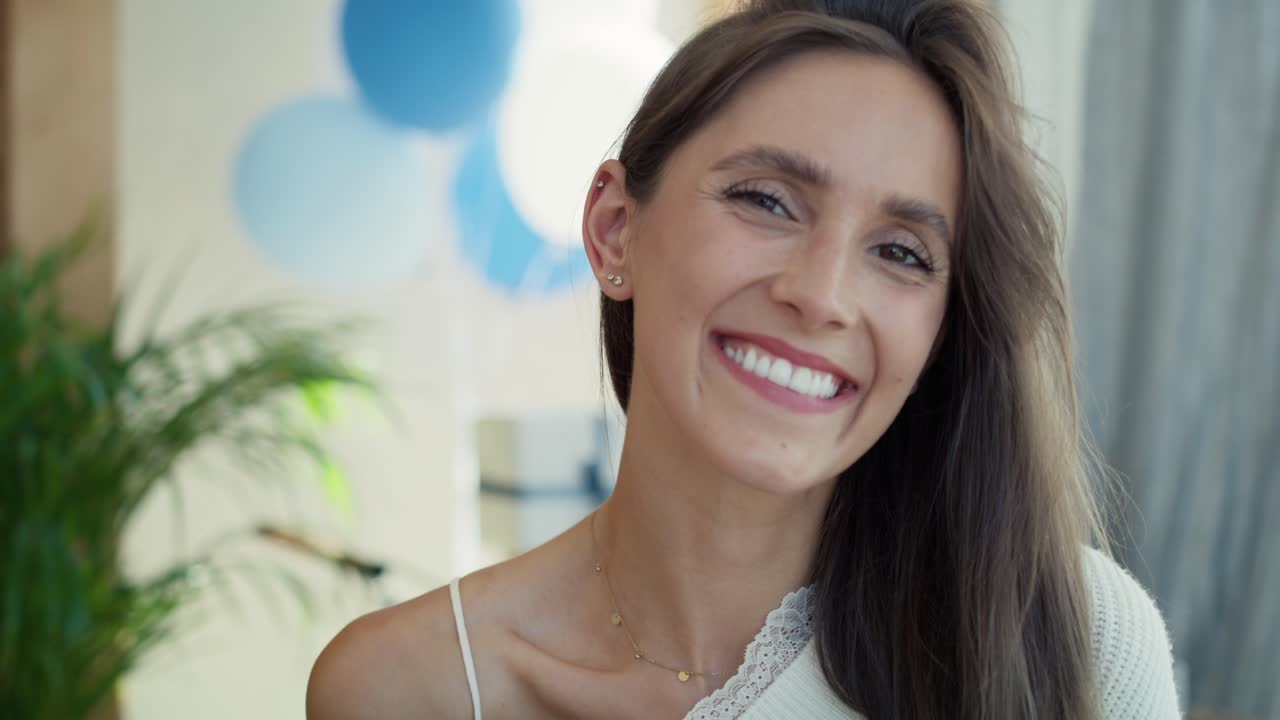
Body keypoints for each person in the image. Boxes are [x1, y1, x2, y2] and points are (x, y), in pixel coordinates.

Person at [307, 1, 1182, 718]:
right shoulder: (401, 689)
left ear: (941, 334)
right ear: (615, 230)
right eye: (767, 200)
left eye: (901, 252)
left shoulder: (1075, 639)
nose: (823, 295)